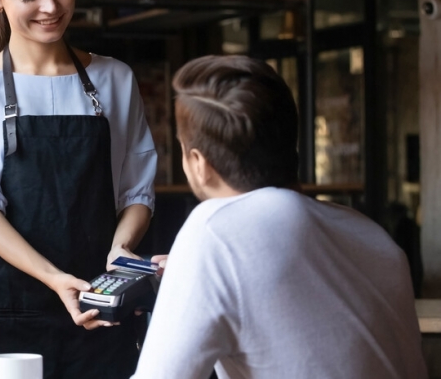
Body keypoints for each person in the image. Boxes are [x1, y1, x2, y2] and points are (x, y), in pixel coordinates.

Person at [0, 0, 157, 377]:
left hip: (95, 303)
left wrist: (121, 250)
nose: (51, 7)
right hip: (2, 305)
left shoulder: (115, 79)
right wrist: (54, 278)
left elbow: (137, 189)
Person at [132, 56, 427, 379]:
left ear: (199, 163)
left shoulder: (213, 230)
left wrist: (200, 265)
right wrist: (193, 274)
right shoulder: (372, 235)